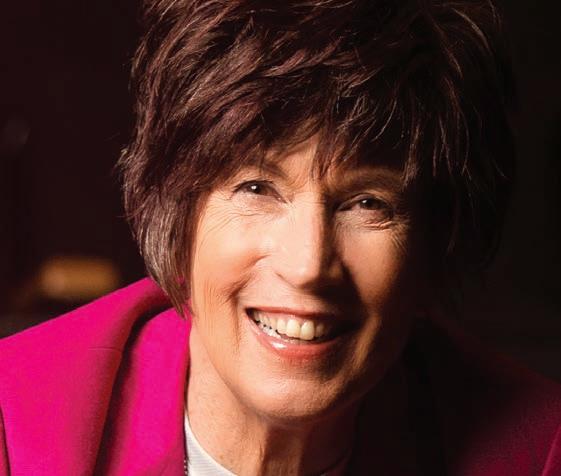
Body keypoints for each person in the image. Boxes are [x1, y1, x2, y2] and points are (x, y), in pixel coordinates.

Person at [1, 0, 560, 474]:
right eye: (257, 188)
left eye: (368, 202)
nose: (308, 264)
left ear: (434, 242)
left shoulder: (538, 454)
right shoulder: (16, 433)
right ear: (177, 213)